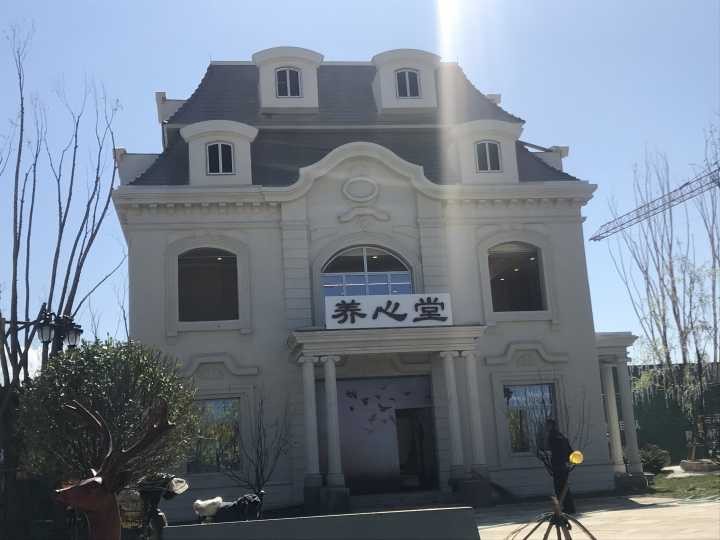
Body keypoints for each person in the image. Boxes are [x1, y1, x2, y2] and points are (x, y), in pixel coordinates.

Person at [544, 418, 576, 514]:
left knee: (559, 489)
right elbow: (570, 451)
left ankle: (565, 507)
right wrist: (569, 462)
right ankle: (570, 507)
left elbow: (550, 451)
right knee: (565, 488)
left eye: (547, 425)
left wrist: (549, 461)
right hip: (564, 466)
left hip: (557, 465)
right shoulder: (562, 436)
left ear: (551, 426)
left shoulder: (552, 437)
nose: (546, 427)